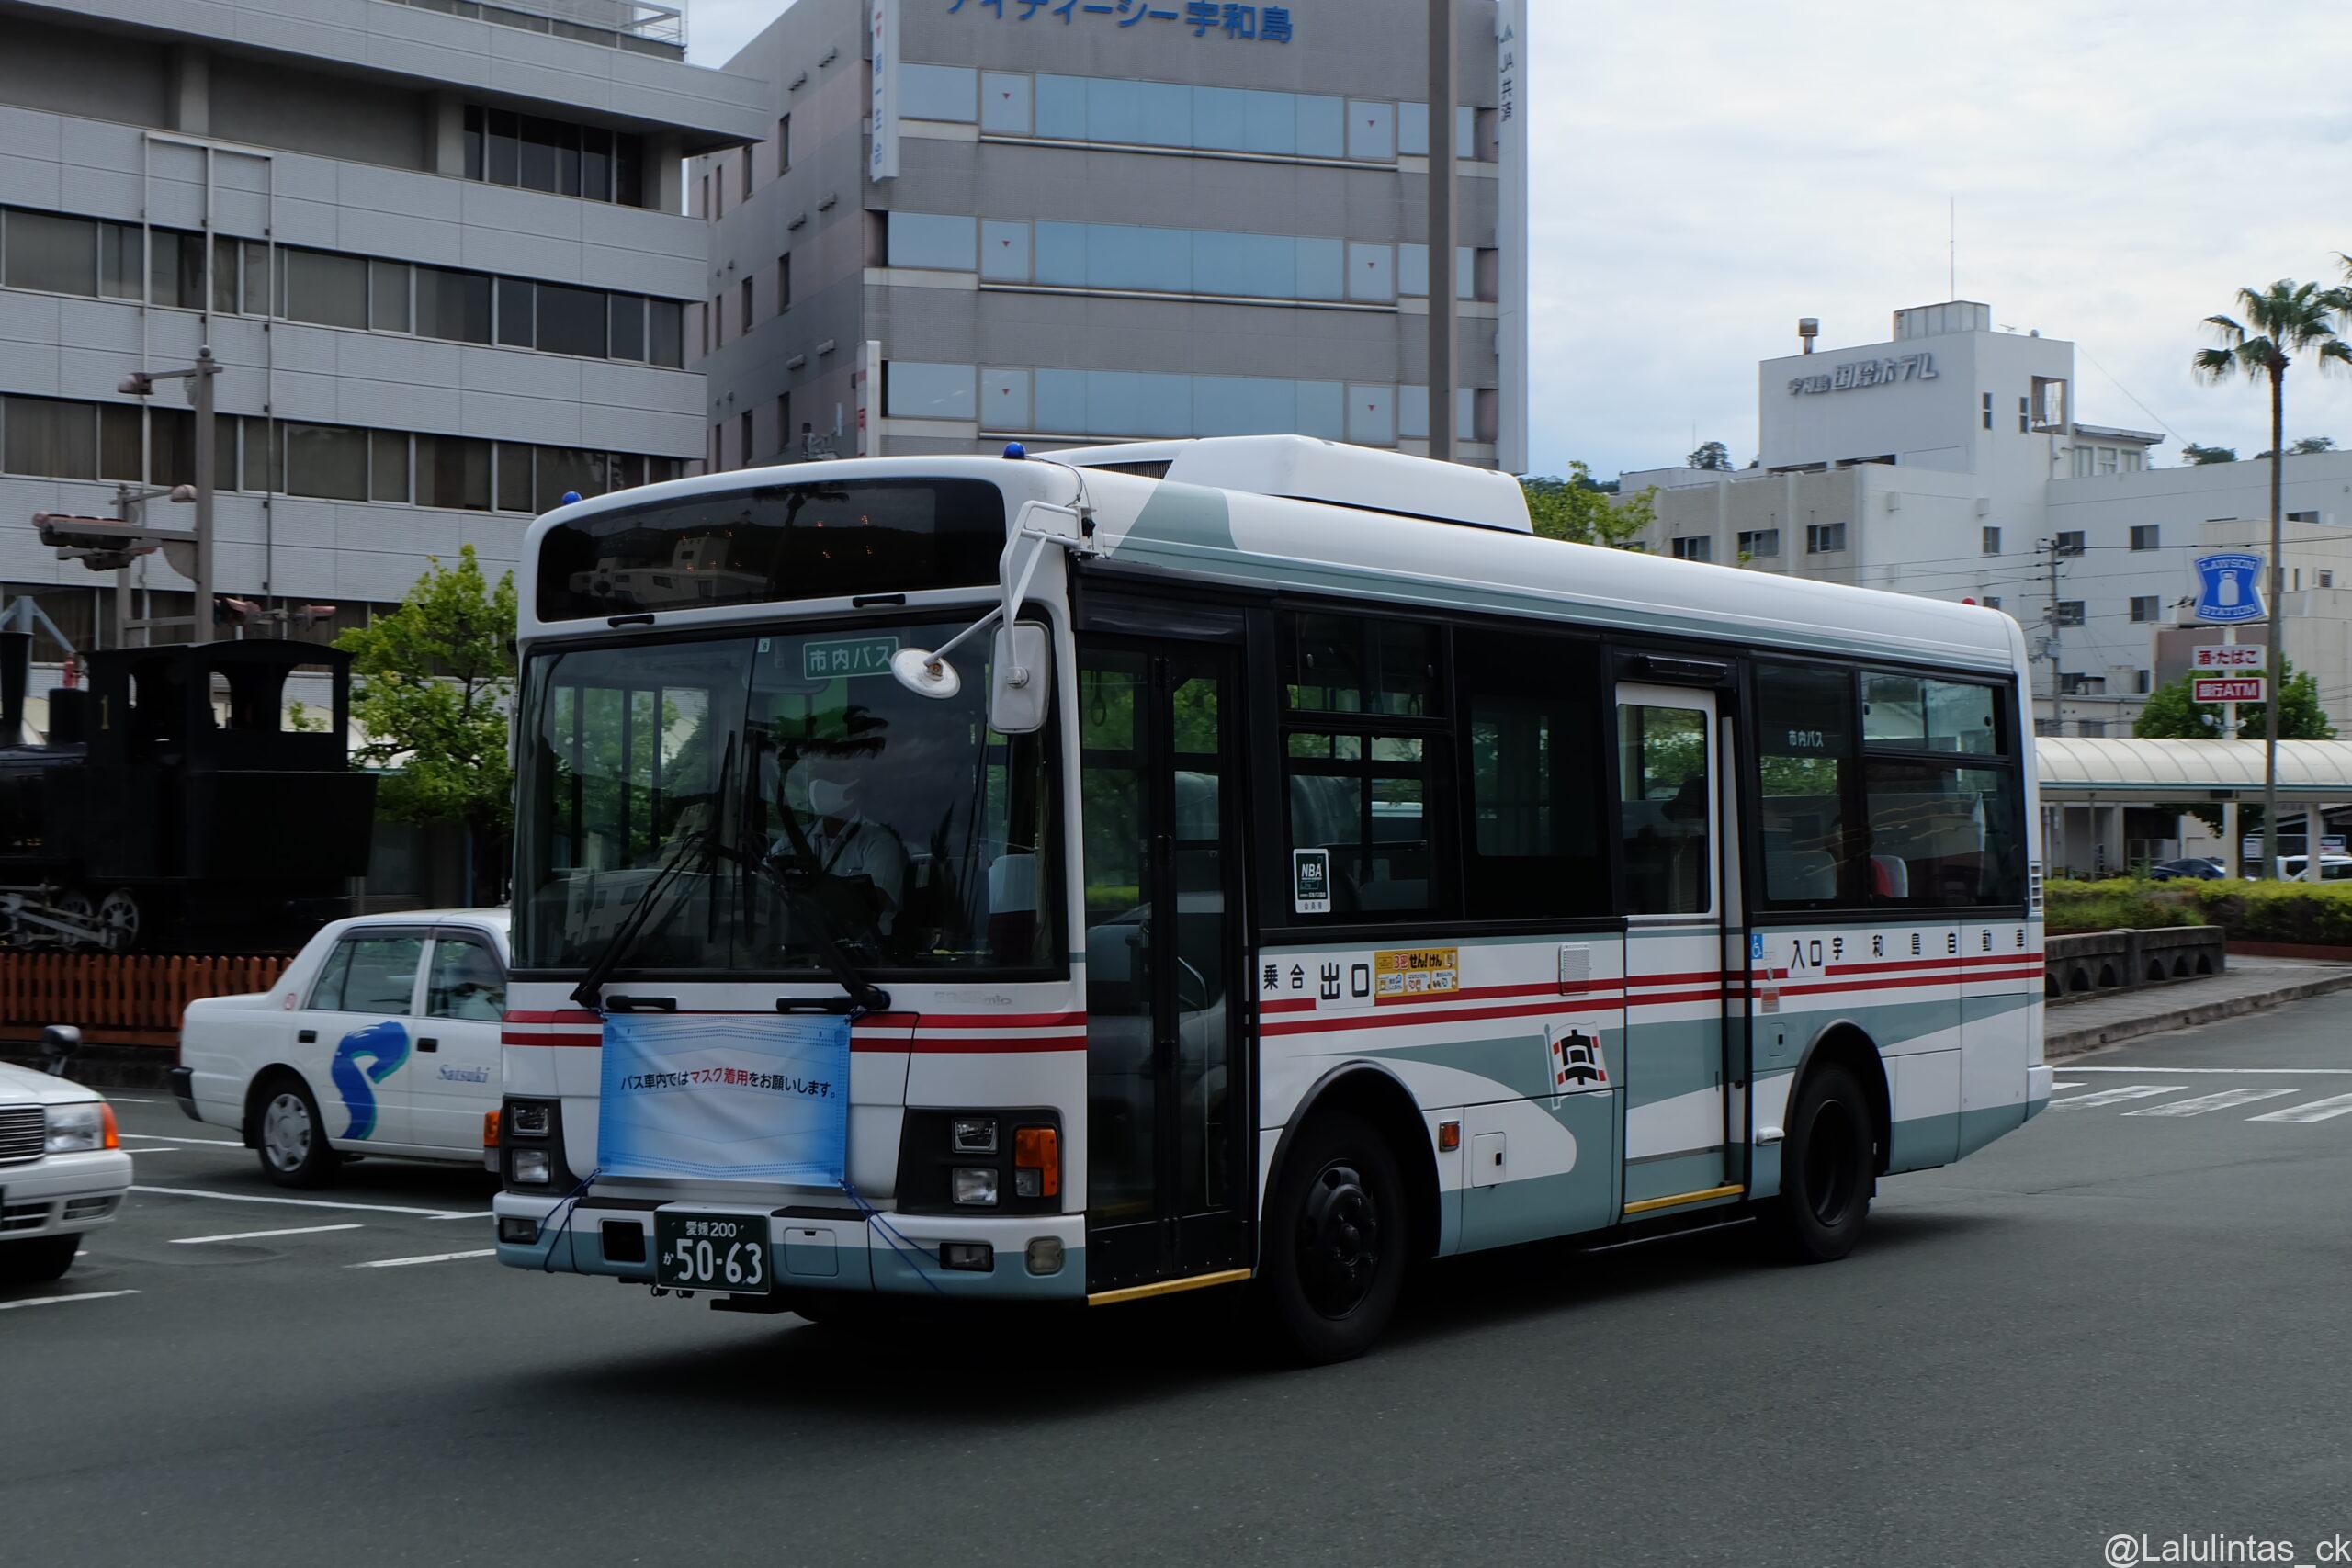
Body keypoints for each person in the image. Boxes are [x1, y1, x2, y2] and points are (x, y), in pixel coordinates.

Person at [775, 750, 909, 940]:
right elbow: (762, 884)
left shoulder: (879, 842)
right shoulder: (792, 839)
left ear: (857, 785)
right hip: (801, 948)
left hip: (860, 952)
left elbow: (876, 901)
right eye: (818, 776)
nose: (820, 784)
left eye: (833, 777)